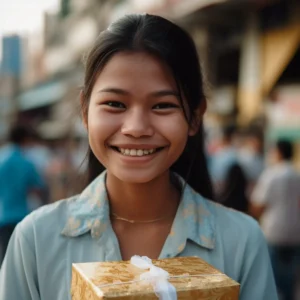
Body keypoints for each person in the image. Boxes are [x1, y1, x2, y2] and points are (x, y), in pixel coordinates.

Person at [0, 14, 277, 299]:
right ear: (85, 111)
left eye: (162, 106)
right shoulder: (35, 239)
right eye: (115, 104)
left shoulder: (242, 240)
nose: (136, 128)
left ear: (195, 117)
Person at [250, 140, 300, 300]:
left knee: (272, 279)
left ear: (278, 152)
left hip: (273, 231)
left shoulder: (271, 174)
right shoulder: (297, 174)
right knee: (291, 277)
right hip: (295, 231)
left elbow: (258, 204)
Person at [0, 124, 45, 266]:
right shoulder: (26, 162)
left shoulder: (1, 159)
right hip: (22, 216)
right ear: (25, 139)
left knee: (4, 258)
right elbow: (39, 187)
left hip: (3, 215)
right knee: (20, 262)